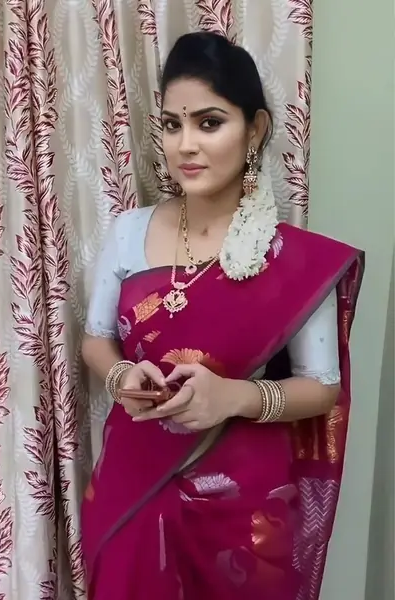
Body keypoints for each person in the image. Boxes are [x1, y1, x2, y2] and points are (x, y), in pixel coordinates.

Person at [81, 32, 364, 600]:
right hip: (133, 484)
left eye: (209, 123)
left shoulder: (292, 259)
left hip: (242, 507)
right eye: (172, 125)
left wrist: (232, 397)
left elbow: (321, 388)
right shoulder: (130, 231)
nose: (185, 145)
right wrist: (122, 376)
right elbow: (96, 340)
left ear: (255, 130)